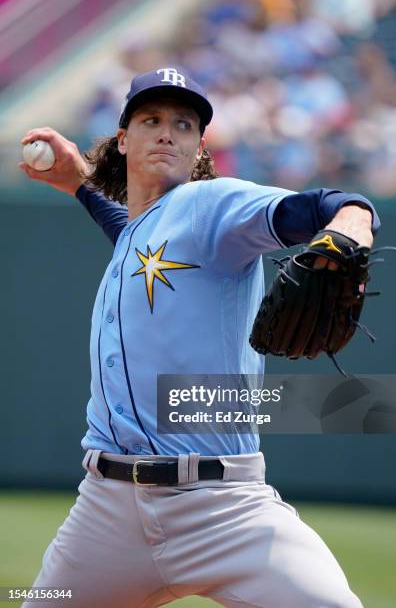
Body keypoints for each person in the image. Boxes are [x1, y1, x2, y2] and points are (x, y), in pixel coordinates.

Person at [19, 68, 378, 608]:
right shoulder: (143, 233)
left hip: (223, 510)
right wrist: (78, 184)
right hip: (106, 513)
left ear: (198, 147)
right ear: (124, 139)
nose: (167, 132)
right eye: (152, 119)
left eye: (184, 125)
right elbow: (130, 233)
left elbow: (328, 204)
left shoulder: (213, 206)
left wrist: (354, 220)